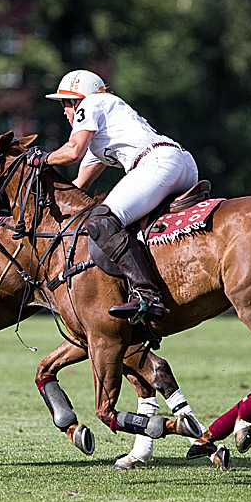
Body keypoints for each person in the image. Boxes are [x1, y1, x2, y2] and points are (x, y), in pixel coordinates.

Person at [34, 69, 199, 323]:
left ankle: (148, 295)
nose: (65, 112)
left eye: (65, 103)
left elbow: (73, 151)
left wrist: (41, 159)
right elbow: (77, 187)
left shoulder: (91, 103)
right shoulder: (103, 131)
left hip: (157, 163)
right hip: (182, 164)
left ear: (77, 101)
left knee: (102, 221)